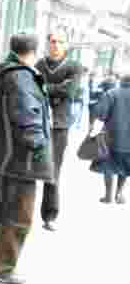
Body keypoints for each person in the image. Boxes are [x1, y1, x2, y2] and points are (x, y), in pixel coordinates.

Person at [0, 33, 52, 284]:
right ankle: (0, 267)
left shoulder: (5, 71)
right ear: (34, 50)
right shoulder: (21, 75)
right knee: (19, 215)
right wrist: (39, 148)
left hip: (3, 157)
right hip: (20, 160)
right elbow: (27, 115)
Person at [35, 31, 86, 231]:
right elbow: (33, 87)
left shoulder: (74, 67)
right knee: (28, 167)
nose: (56, 45)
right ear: (48, 43)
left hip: (59, 126)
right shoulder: (39, 64)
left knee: (52, 170)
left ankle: (50, 215)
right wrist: (56, 88)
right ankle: (23, 211)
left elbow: (70, 90)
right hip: (37, 121)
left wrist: (46, 88)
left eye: (60, 42)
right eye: (53, 41)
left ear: (67, 45)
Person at [90, 73, 130, 204]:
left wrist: (93, 132)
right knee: (125, 167)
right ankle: (119, 194)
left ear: (122, 81)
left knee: (109, 166)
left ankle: (108, 196)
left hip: (111, 138)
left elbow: (100, 114)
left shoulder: (112, 93)